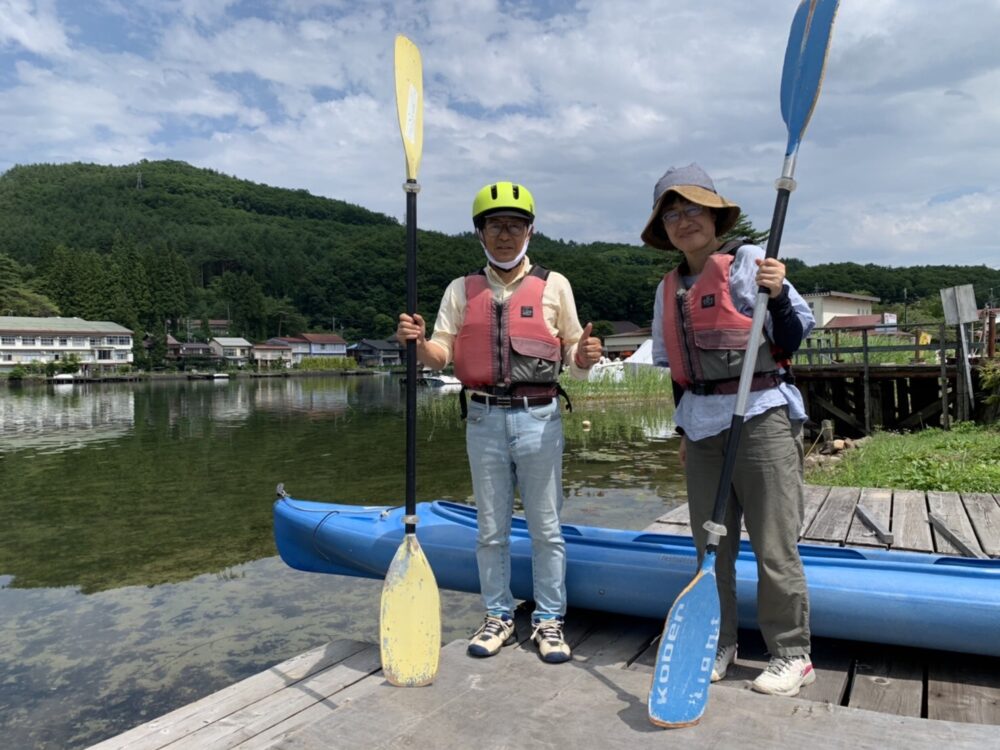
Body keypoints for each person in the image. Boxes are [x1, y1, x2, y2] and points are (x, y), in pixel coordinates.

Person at [396, 181, 603, 664]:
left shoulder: (555, 285)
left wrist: (587, 356)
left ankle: (550, 620)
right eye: (495, 225)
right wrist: (418, 342)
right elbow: (439, 356)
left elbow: (575, 355)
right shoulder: (459, 289)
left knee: (546, 528)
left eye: (514, 225)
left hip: (540, 419)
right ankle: (499, 616)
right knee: (490, 529)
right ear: (480, 234)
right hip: (483, 418)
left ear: (530, 230)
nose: (505, 234)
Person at [642, 163, 816, 697]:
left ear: (716, 216)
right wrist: (681, 434)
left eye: (692, 209)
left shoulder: (747, 264)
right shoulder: (668, 289)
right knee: (710, 547)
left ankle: (791, 652)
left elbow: (791, 337)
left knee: (772, 544)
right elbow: (678, 374)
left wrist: (780, 293)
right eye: (671, 213)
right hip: (701, 427)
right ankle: (720, 640)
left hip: (761, 414)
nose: (682, 221)